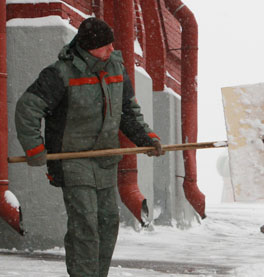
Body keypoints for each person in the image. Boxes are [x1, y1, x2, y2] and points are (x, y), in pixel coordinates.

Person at [15, 17, 165, 277]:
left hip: (105, 160)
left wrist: (147, 138)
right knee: (85, 226)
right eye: (105, 46)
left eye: (111, 44)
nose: (111, 50)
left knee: (108, 223)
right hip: (73, 161)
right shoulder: (60, 73)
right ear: (88, 47)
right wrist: (34, 148)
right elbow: (27, 108)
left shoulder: (116, 67)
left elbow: (128, 110)